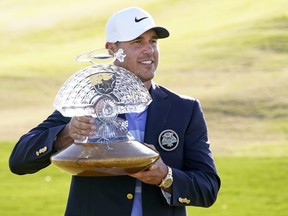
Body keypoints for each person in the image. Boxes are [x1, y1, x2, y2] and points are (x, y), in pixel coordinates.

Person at [9, 7, 220, 216]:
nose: (149, 50)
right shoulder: (86, 100)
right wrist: (67, 134)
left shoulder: (184, 108)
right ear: (111, 49)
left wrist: (166, 176)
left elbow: (208, 188)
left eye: (153, 41)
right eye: (137, 41)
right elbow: (19, 160)